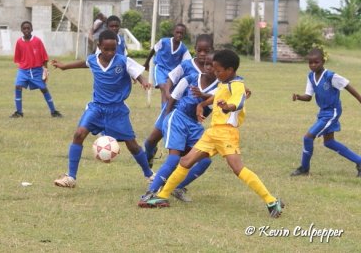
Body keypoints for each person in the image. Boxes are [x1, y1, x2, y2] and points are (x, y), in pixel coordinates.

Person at [143, 49, 284, 218]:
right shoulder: (224, 83)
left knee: (238, 169)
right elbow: (217, 96)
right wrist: (202, 104)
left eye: (218, 71)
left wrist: (228, 107)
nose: (215, 73)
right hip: (212, 133)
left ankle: (271, 200)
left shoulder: (237, 86)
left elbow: (238, 102)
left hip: (226, 133)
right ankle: (162, 196)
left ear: (230, 70)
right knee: (186, 161)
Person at [52, 30, 154, 188]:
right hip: (97, 108)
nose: (110, 52)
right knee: (79, 134)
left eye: (113, 49)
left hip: (117, 110)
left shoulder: (123, 61)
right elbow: (83, 63)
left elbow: (137, 72)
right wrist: (64, 67)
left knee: (132, 145)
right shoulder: (93, 60)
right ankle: (71, 177)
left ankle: (149, 175)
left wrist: (143, 81)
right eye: (106, 49)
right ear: (99, 46)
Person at [138, 53, 218, 206]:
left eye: (212, 65)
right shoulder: (191, 78)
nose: (208, 68)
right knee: (174, 158)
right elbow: (174, 98)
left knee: (205, 160)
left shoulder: (219, 88)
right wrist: (166, 119)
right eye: (206, 64)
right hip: (178, 118)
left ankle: (177, 187)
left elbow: (215, 99)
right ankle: (150, 193)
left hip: (195, 126)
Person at [144, 34, 213, 168]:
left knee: (182, 151)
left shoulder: (215, 69)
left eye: (207, 51)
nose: (203, 54)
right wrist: (169, 93)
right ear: (195, 49)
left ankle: (173, 180)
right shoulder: (187, 65)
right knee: (151, 141)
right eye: (200, 50)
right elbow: (171, 77)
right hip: (174, 108)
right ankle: (149, 157)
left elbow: (225, 85)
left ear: (212, 50)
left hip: (192, 117)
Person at [291, 47, 361, 177]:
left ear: (323, 61)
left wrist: (359, 99)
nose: (313, 65)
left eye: (316, 62)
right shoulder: (311, 76)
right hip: (323, 112)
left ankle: (304, 169)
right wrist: (299, 97)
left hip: (332, 112)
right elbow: (309, 96)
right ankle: (359, 161)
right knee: (329, 142)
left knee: (307, 137)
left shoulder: (331, 76)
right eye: (310, 63)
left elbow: (348, 86)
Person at [10, 21, 62, 118]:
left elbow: (44, 57)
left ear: (32, 29)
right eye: (24, 28)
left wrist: (45, 70)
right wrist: (24, 64)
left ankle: (53, 111)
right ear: (21, 30)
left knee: (43, 89)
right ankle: (19, 112)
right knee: (18, 86)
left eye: (28, 28)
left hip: (36, 71)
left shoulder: (37, 41)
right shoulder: (19, 42)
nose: (26, 30)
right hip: (23, 70)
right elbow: (18, 57)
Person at [143, 23, 192, 105]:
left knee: (167, 90)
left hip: (172, 74)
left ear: (184, 35)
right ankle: (165, 111)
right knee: (164, 87)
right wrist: (146, 63)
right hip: (160, 69)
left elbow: (189, 62)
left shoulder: (183, 49)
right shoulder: (164, 41)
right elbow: (153, 50)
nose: (179, 35)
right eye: (177, 32)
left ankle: (165, 111)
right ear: (173, 32)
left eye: (181, 33)